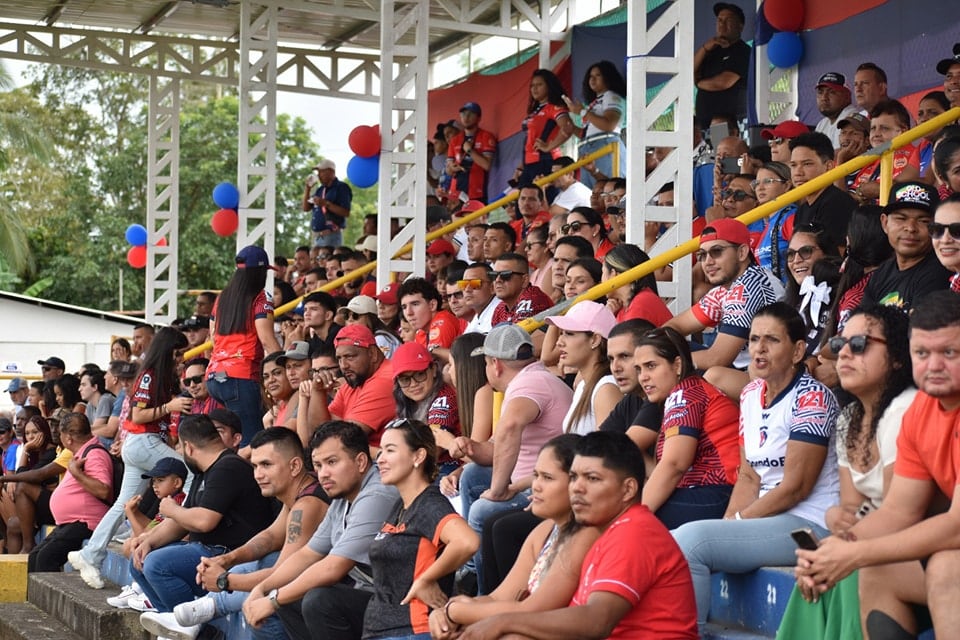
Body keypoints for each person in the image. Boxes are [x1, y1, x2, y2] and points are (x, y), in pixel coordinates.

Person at [795, 290, 960, 638]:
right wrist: (831, 552)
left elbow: (956, 527)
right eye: (922, 353)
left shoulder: (907, 406)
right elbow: (899, 511)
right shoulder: (921, 412)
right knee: (877, 572)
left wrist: (855, 553)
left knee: (947, 568)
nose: (933, 366)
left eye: (949, 352)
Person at [672, 302, 840, 633]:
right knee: (679, 539)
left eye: (772, 340)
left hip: (811, 524)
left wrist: (736, 523)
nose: (759, 349)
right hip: (770, 517)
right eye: (752, 339)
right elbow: (748, 477)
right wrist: (726, 526)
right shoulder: (750, 394)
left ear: (798, 351)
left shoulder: (813, 398)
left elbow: (795, 487)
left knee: (691, 541)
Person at [456, 431, 698, 639]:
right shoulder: (606, 530)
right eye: (574, 477)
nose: (577, 488)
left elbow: (597, 620)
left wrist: (503, 622)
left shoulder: (635, 532)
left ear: (628, 489)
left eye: (592, 478)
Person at [776, 305, 914, 640]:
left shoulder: (907, 410)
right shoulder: (848, 418)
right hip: (873, 536)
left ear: (897, 357)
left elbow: (903, 514)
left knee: (844, 569)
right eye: (839, 346)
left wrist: (842, 547)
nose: (845, 354)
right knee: (811, 572)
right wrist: (837, 517)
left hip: (910, 543)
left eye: (861, 344)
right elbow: (853, 507)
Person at [142, 428, 329, 640]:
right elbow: (270, 537)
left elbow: (283, 574)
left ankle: (205, 610)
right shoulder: (298, 493)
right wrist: (227, 559)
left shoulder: (306, 505)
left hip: (328, 593)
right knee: (264, 558)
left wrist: (225, 581)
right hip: (305, 586)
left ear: (295, 466)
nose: (258, 474)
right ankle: (202, 610)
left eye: (267, 465)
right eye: (256, 465)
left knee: (261, 603)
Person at [430, 435, 600, 638]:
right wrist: (444, 611)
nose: (536, 485)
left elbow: (532, 610)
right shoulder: (545, 531)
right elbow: (497, 598)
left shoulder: (586, 535)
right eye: (535, 475)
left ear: (578, 484)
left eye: (548, 477)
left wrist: (456, 612)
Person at [241, 422, 398, 640]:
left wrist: (273, 599)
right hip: (371, 597)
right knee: (290, 594)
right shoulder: (342, 498)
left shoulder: (377, 494)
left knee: (319, 600)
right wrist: (264, 588)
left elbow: (333, 567)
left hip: (400, 604)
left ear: (361, 461)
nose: (323, 474)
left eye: (331, 462)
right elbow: (308, 554)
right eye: (318, 465)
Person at [68, 326, 191, 590]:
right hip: (142, 442)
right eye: (178, 354)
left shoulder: (161, 375)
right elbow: (137, 415)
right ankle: (187, 532)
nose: (181, 359)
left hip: (142, 444)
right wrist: (169, 407)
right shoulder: (148, 375)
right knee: (189, 473)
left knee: (123, 504)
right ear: (167, 351)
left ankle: (90, 554)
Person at [453, 324, 572, 588]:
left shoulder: (530, 383)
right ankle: (472, 568)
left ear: (495, 364)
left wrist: (496, 490)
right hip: (529, 479)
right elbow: (496, 448)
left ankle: (481, 589)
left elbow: (509, 428)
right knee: (472, 476)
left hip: (543, 488)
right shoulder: (528, 379)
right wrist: (471, 447)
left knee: (484, 509)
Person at [131, 414, 274, 630]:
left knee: (157, 565)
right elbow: (183, 520)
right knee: (140, 561)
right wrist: (149, 541)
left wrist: (172, 509)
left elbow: (204, 521)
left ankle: (193, 627)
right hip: (205, 548)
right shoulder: (203, 471)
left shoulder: (228, 467)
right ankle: (174, 622)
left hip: (228, 553)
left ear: (188, 447)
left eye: (179, 445)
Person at [361, 420, 477, 640]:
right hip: (379, 629)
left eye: (390, 450)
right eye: (381, 450)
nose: (380, 458)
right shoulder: (401, 504)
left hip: (413, 629)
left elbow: (467, 541)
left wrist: (425, 579)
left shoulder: (429, 504)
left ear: (418, 456)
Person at [634, 328, 740, 529]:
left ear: (677, 365)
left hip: (720, 492)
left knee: (626, 521)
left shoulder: (685, 394)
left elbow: (674, 465)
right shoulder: (688, 390)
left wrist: (633, 518)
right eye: (639, 369)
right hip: (717, 492)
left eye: (651, 366)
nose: (643, 377)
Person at [666, 218, 784, 371]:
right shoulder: (725, 289)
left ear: (742, 253)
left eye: (716, 252)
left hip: (769, 376)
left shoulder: (749, 286)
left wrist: (662, 361)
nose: (707, 262)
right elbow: (674, 327)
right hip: (746, 370)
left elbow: (717, 359)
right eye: (702, 255)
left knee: (713, 374)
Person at [206, 245, 283, 445]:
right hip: (241, 376)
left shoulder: (222, 298)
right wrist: (283, 368)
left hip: (215, 377)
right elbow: (266, 339)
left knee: (232, 440)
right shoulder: (261, 297)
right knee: (252, 442)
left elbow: (213, 337)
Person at [28, 413, 113, 573]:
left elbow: (103, 490)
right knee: (35, 556)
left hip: (86, 522)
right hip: (72, 522)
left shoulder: (94, 454)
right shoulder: (82, 451)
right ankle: (35, 599)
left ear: (68, 438)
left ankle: (47, 599)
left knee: (46, 558)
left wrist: (76, 473)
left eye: (60, 433)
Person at [861, 182, 951, 311]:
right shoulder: (881, 273)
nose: (910, 228)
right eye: (901, 218)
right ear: (885, 223)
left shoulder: (940, 273)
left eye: (923, 221)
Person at [545, 301, 621, 435]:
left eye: (569, 334)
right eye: (561, 333)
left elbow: (607, 451)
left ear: (595, 340)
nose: (559, 342)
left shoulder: (606, 389)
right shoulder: (582, 385)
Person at [391, 342, 462, 477]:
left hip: (448, 469)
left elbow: (433, 448)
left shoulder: (444, 398)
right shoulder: (406, 401)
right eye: (405, 379)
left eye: (419, 375)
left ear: (434, 369)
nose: (413, 384)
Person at [789, 133, 857, 254]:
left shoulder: (838, 203)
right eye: (793, 165)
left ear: (829, 166)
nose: (798, 172)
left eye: (807, 164)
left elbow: (838, 258)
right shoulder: (802, 210)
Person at [563, 60, 627, 188]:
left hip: (605, 145)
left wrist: (582, 112)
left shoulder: (612, 96)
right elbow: (589, 132)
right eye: (590, 76)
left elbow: (609, 125)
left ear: (608, 77)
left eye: (598, 75)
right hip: (588, 148)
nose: (592, 79)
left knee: (609, 189)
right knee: (592, 194)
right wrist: (572, 129)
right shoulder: (595, 101)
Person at [694, 2, 750, 129]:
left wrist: (698, 83)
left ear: (740, 26)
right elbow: (689, 71)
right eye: (719, 20)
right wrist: (704, 48)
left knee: (725, 149)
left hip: (728, 124)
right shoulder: (711, 50)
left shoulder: (743, 51)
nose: (722, 24)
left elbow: (723, 82)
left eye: (728, 20)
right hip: (704, 122)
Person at [518, 69, 574, 189]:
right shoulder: (535, 110)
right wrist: (520, 167)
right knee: (523, 205)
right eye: (532, 85)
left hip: (546, 162)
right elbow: (530, 140)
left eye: (539, 85)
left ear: (549, 86)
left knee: (543, 202)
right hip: (529, 164)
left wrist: (549, 147)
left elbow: (568, 127)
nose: (534, 88)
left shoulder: (554, 107)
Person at [601, 243, 673, 326]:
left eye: (603, 272)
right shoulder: (624, 307)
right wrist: (609, 316)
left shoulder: (641, 303)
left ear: (614, 274)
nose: (601, 280)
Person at [752, 161, 797, 283]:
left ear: (787, 185)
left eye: (768, 181)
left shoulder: (790, 216)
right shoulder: (770, 222)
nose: (760, 188)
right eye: (756, 183)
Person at [446, 101, 497, 203]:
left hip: (477, 191)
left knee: (477, 219)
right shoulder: (454, 140)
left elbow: (487, 165)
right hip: (456, 192)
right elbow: (448, 170)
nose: (466, 117)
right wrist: (452, 168)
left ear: (479, 118)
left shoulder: (486, 136)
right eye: (463, 114)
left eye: (470, 114)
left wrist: (470, 150)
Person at [303, 159, 353, 248]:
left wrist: (326, 204)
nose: (318, 175)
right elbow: (306, 208)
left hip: (331, 234)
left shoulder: (341, 187)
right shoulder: (320, 189)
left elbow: (346, 212)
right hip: (317, 235)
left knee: (329, 260)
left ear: (330, 171)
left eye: (321, 172)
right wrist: (308, 188)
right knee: (316, 261)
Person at [813, 72, 858, 151]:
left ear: (847, 96)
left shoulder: (853, 119)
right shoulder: (822, 124)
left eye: (832, 92)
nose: (824, 98)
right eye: (820, 92)